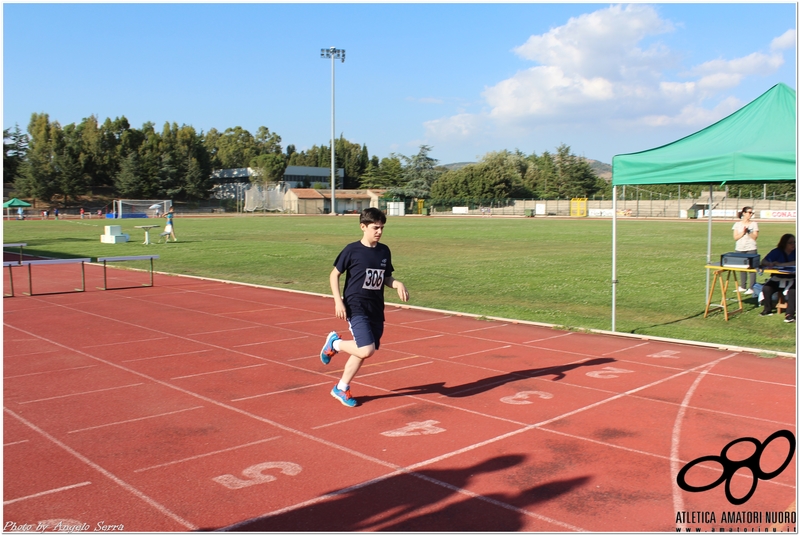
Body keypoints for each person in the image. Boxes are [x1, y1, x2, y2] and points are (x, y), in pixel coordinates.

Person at [320, 207, 409, 407]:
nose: (379, 231)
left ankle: (341, 388)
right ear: (363, 227)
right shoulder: (352, 250)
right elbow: (334, 275)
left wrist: (397, 284)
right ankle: (334, 344)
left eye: (382, 228)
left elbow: (386, 277)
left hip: (376, 307)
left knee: (363, 350)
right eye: (375, 228)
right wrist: (337, 301)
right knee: (366, 349)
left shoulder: (384, 250)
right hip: (355, 304)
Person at [759, 233, 795, 323]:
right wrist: (769, 264)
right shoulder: (776, 251)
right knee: (766, 288)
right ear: (784, 243)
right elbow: (763, 261)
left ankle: (789, 314)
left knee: (793, 291)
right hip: (778, 278)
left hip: (793, 279)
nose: (793, 244)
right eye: (790, 243)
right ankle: (767, 309)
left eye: (794, 242)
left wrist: (781, 264)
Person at [732, 206, 758, 294]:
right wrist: (743, 232)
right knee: (742, 267)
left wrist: (748, 232)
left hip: (751, 248)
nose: (750, 214)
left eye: (752, 213)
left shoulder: (754, 224)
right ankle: (743, 286)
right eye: (749, 212)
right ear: (744, 213)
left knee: (752, 268)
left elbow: (755, 237)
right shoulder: (737, 224)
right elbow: (735, 237)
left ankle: (752, 287)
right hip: (740, 248)